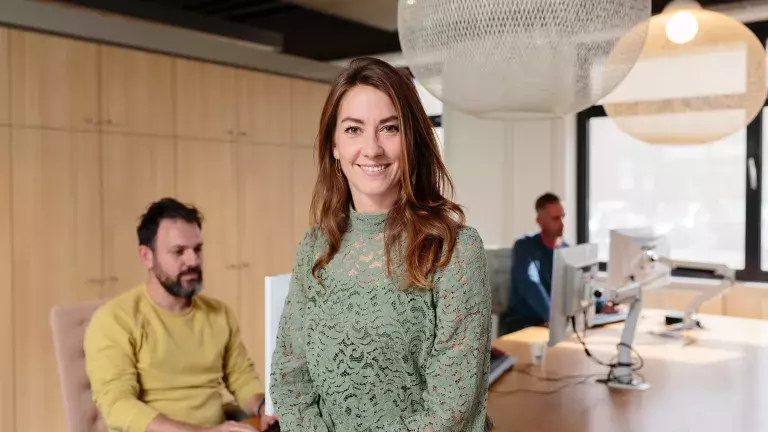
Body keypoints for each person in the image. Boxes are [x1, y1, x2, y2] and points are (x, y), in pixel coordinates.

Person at [269, 57, 493, 431]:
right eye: (354, 129)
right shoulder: (315, 247)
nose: (371, 148)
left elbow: (451, 410)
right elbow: (290, 379)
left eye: (389, 128)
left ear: (413, 141)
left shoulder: (453, 250)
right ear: (334, 146)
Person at [84, 198, 277, 432]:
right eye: (179, 252)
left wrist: (264, 407)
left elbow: (241, 378)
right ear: (147, 256)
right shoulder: (114, 320)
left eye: (197, 249)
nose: (193, 261)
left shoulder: (218, 314)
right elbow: (118, 405)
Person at [504, 193, 617, 333]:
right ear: (539, 221)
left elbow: (582, 284)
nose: (562, 223)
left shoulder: (567, 251)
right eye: (555, 218)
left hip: (557, 324)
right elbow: (530, 284)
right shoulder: (525, 246)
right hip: (527, 324)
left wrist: (602, 304)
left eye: (563, 216)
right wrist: (553, 318)